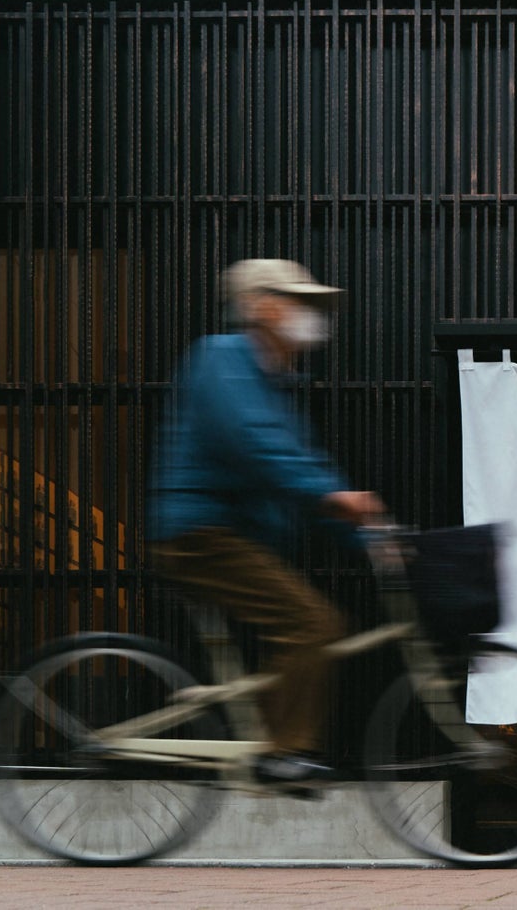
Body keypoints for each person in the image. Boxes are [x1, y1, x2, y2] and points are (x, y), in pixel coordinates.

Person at [147, 258, 384, 787]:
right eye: (299, 302)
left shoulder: (272, 380)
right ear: (262, 307)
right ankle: (285, 752)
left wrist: (364, 533)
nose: (312, 315)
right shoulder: (223, 358)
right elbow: (257, 444)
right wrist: (334, 498)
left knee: (304, 628)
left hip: (227, 534)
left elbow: (301, 467)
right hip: (199, 534)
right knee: (312, 625)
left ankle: (275, 743)